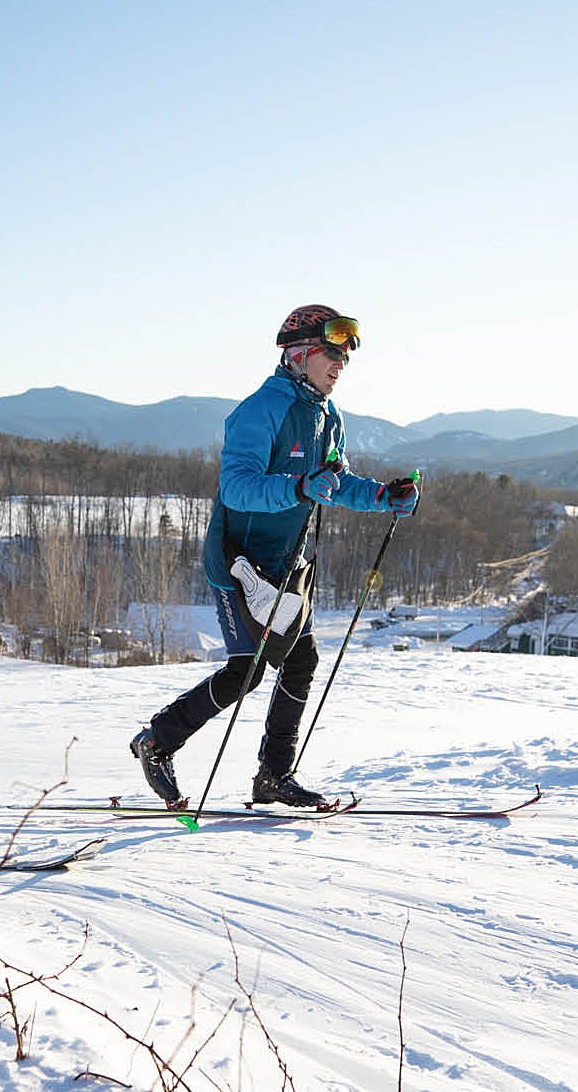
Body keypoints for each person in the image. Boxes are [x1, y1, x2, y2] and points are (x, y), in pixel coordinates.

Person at [129, 304, 420, 809]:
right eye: (332, 354)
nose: (339, 366)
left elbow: (335, 481)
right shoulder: (260, 411)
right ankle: (158, 742)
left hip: (286, 566)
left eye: (346, 359)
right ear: (300, 353)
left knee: (302, 660)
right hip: (238, 562)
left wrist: (380, 497)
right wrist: (300, 485)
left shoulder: (328, 416)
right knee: (246, 669)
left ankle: (273, 777)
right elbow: (237, 488)